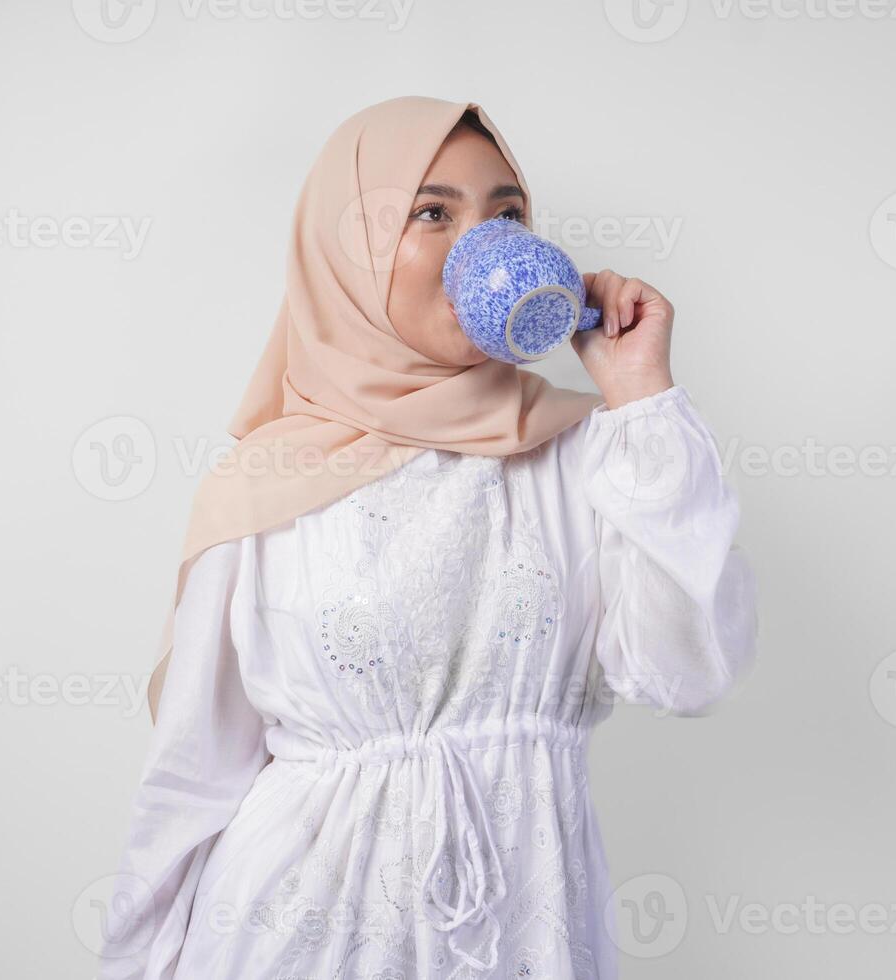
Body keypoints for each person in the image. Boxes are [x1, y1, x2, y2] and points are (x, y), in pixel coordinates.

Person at [96, 95, 758, 979]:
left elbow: (690, 672)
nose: (478, 245)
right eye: (431, 212)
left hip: (524, 931)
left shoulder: (588, 456)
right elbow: (191, 777)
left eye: (507, 215)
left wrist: (642, 397)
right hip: (292, 941)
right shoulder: (262, 485)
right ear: (349, 253)